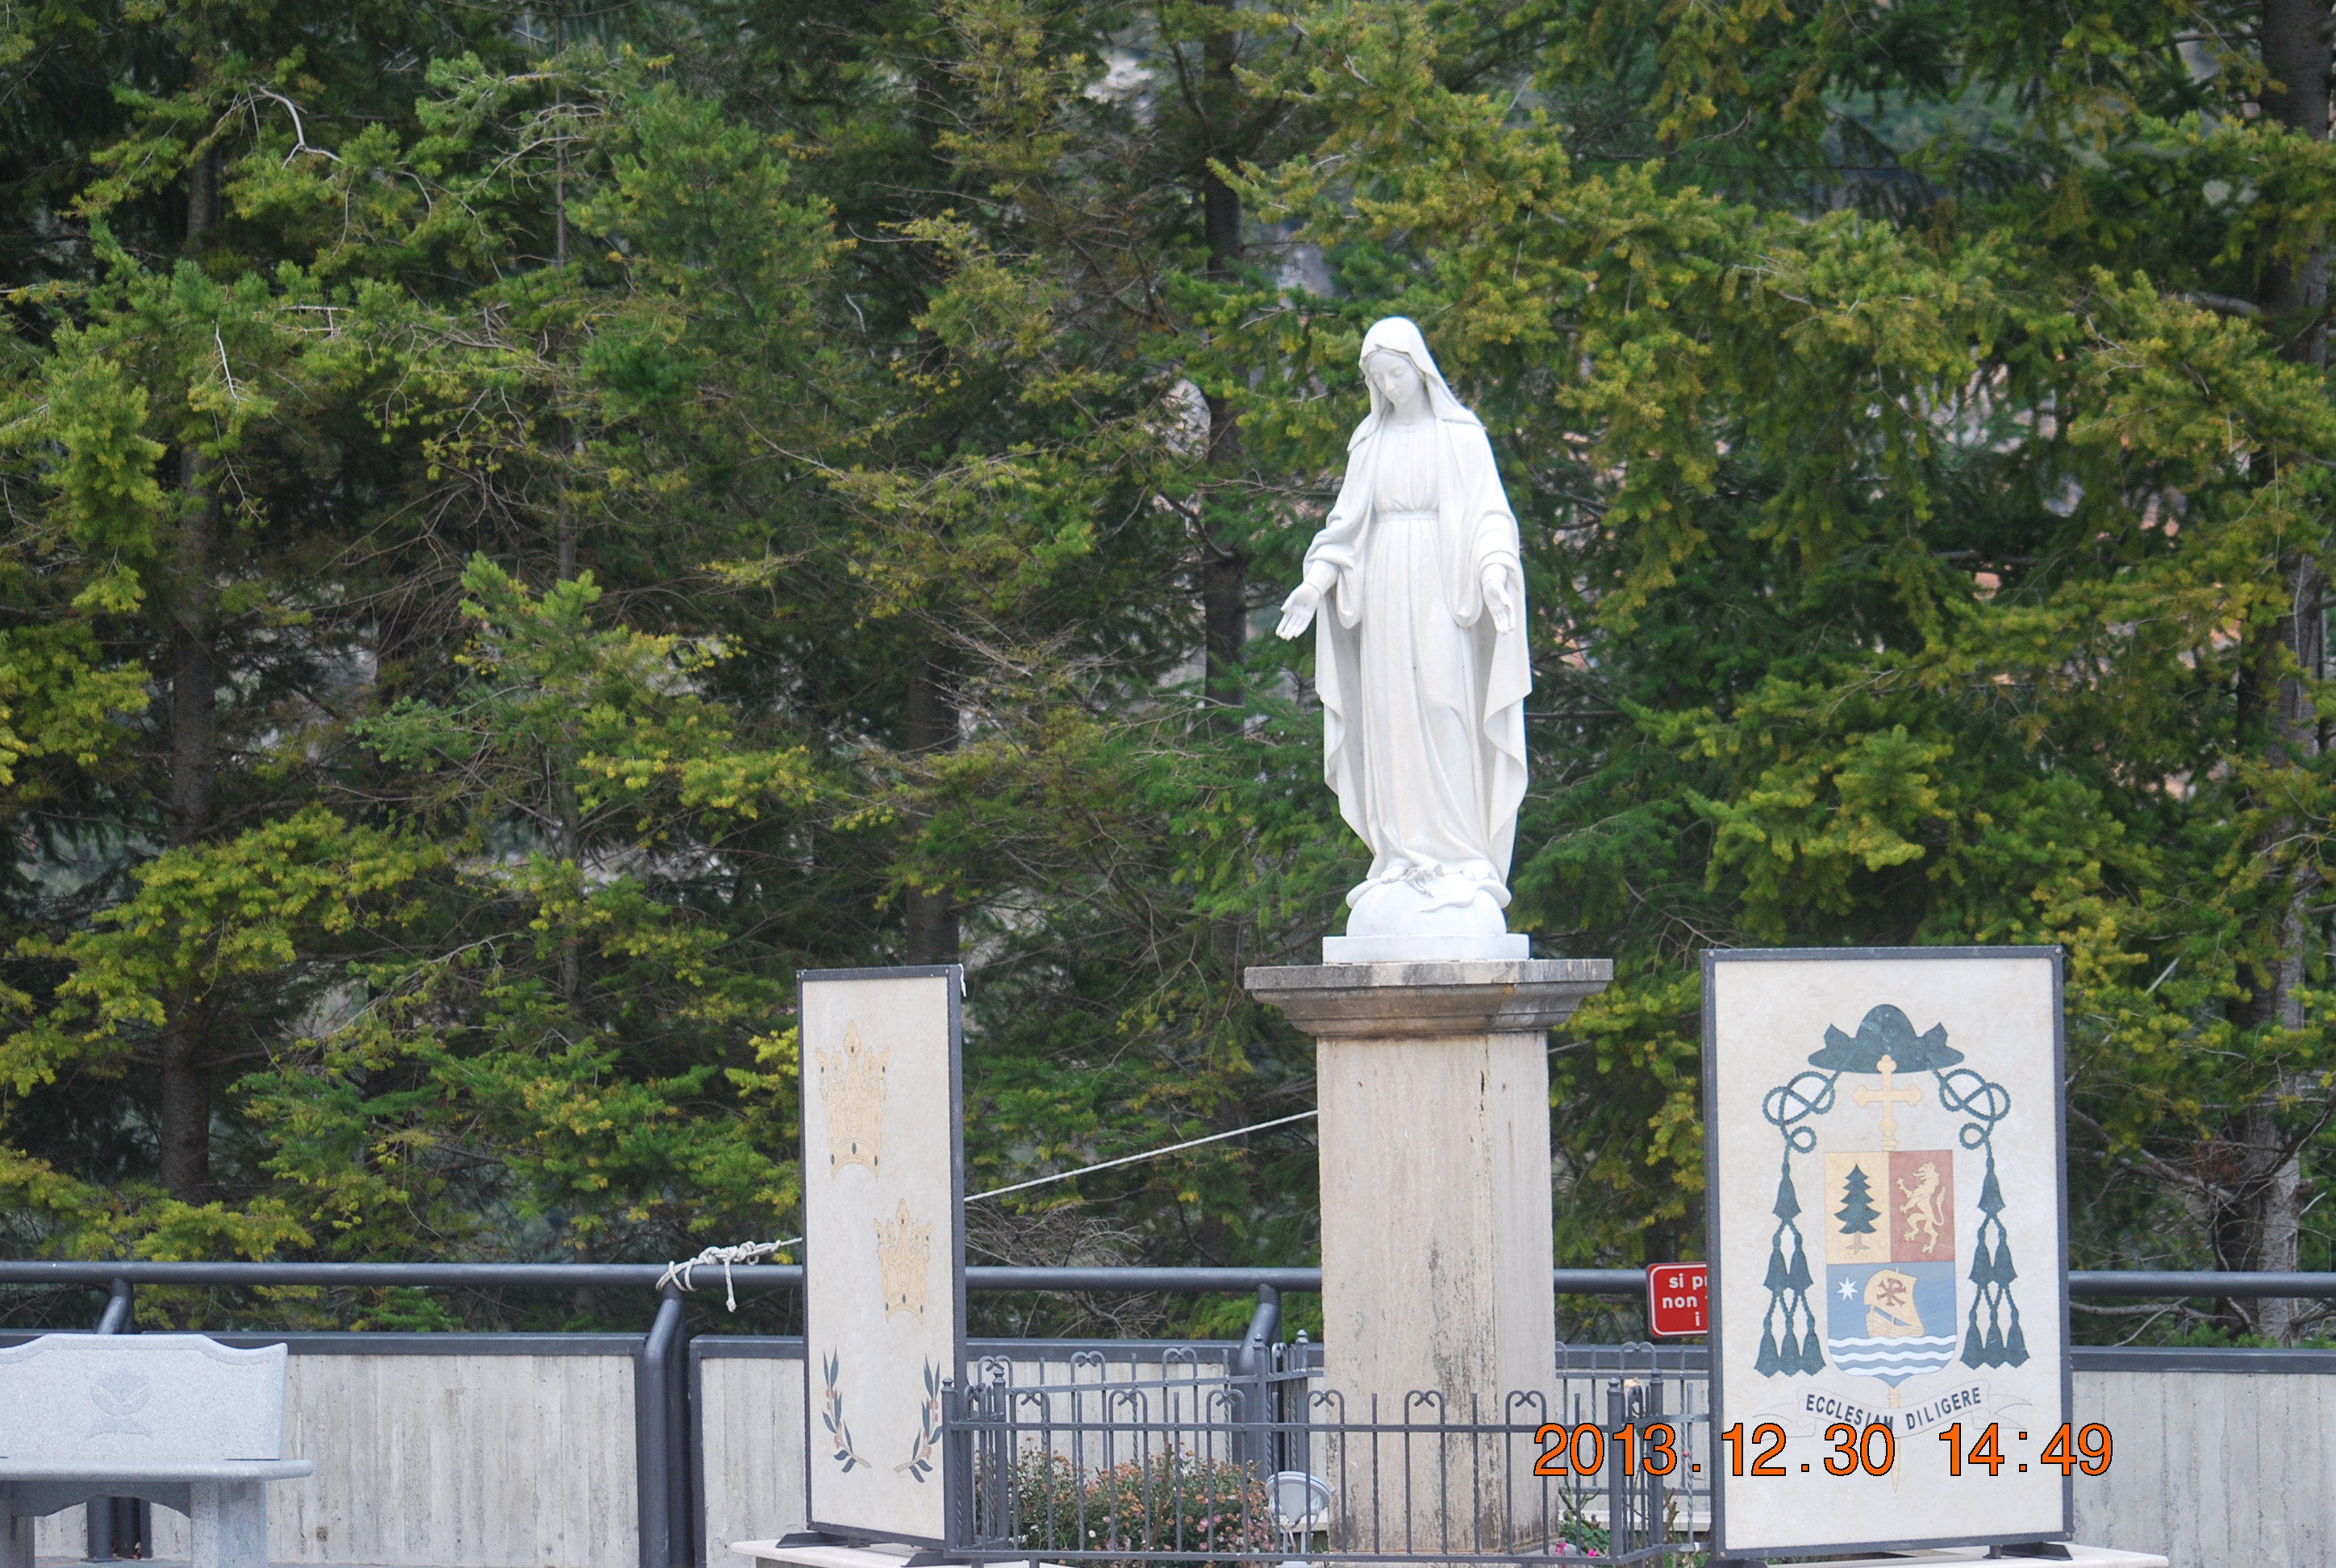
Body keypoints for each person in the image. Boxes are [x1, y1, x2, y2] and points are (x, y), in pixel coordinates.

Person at [1275, 318, 1531, 949]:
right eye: (1378, 378)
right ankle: (1399, 854)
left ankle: (1460, 855)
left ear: (1420, 369)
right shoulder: (1370, 442)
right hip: (1386, 589)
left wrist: (1494, 576)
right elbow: (1344, 529)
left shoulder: (1461, 436)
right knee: (1391, 719)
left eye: (1397, 373)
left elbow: (1490, 517)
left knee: (1445, 708)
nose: (1390, 387)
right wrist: (1314, 584)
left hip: (1444, 588)